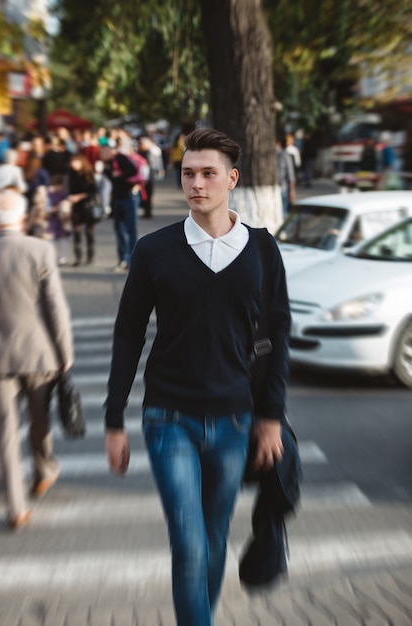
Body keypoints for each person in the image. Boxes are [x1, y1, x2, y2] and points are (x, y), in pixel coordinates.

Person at [104, 128, 291, 626]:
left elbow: (277, 339)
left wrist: (270, 417)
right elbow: (127, 336)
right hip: (169, 418)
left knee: (212, 540)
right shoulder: (154, 250)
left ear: (231, 179)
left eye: (208, 174)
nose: (196, 184)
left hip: (235, 420)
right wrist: (114, 420)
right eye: (188, 173)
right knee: (189, 544)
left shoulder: (263, 252)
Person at [0, 190, 73, 529]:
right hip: (39, 352)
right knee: (39, 421)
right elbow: (55, 305)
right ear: (23, 219)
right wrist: (64, 352)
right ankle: (43, 470)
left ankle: (16, 507)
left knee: (5, 432)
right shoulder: (40, 250)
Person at [100, 143, 139, 271]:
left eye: (104, 152)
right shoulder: (106, 165)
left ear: (110, 151)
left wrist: (120, 176)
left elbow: (133, 169)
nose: (102, 155)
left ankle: (134, 260)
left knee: (130, 229)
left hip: (128, 197)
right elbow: (111, 181)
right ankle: (123, 259)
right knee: (119, 230)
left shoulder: (120, 158)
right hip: (117, 199)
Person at [68, 153, 98, 266]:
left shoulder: (88, 174)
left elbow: (94, 191)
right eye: (72, 162)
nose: (74, 164)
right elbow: (69, 190)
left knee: (89, 231)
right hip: (76, 207)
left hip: (87, 206)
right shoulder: (71, 175)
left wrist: (79, 196)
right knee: (77, 231)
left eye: (76, 162)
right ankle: (78, 257)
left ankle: (90, 254)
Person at [276, 136, 295, 217]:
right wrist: (292, 191)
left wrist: (291, 191)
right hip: (282, 187)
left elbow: (290, 175)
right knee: (283, 212)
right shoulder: (285, 155)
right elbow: (291, 175)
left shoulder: (284, 155)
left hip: (281, 187)